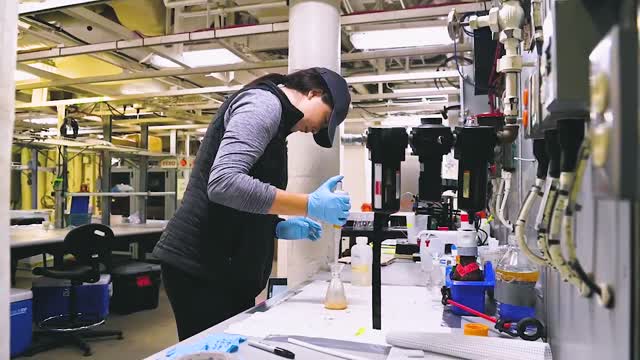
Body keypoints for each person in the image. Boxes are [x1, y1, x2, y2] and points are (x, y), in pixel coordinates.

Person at [153, 67, 352, 341]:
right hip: (201, 268)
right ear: (314, 93)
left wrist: (273, 227)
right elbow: (224, 184)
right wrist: (308, 204)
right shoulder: (263, 104)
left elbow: (241, 202)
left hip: (225, 268)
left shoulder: (279, 124)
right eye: (326, 118)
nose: (317, 128)